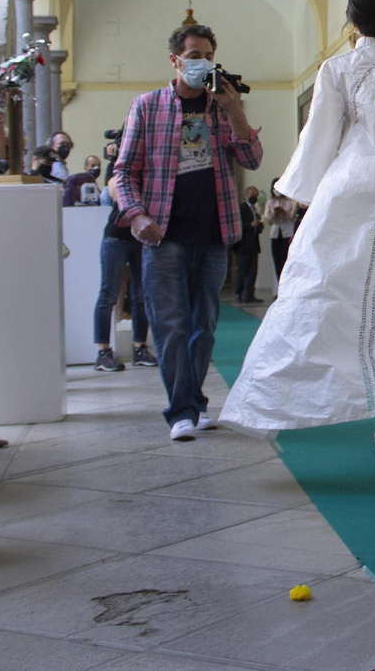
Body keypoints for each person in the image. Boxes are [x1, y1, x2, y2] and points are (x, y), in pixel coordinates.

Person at [222, 0, 375, 449]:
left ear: (354, 20)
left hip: (356, 185)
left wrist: (299, 190)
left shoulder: (339, 68)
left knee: (338, 291)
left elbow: (319, 134)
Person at [114, 23, 262, 442]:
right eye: (193, 55)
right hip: (163, 233)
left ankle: (193, 403)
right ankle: (181, 410)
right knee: (171, 324)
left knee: (206, 324)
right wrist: (136, 215)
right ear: (175, 60)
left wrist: (234, 111)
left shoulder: (221, 108)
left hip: (214, 231)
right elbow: (124, 171)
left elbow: (251, 159)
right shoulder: (147, 106)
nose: (201, 63)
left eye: (208, 55)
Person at [91, 172, 156, 372]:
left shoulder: (151, 177)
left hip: (140, 240)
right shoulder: (118, 178)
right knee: (108, 293)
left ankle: (139, 348)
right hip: (116, 239)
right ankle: (103, 352)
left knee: (141, 296)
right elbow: (116, 195)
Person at [233, 186, 262, 304]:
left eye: (256, 196)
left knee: (252, 271)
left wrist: (259, 226)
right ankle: (238, 294)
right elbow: (238, 224)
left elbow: (257, 225)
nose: (254, 198)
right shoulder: (241, 208)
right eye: (252, 195)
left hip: (253, 245)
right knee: (242, 270)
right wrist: (250, 225)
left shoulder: (255, 210)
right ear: (245, 196)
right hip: (243, 245)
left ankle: (249, 294)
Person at [262, 183, 297, 279]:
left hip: (287, 234)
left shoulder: (290, 201)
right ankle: (279, 286)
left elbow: (292, 218)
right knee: (277, 261)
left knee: (286, 260)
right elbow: (269, 220)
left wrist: (284, 212)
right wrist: (275, 213)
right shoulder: (270, 202)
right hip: (275, 234)